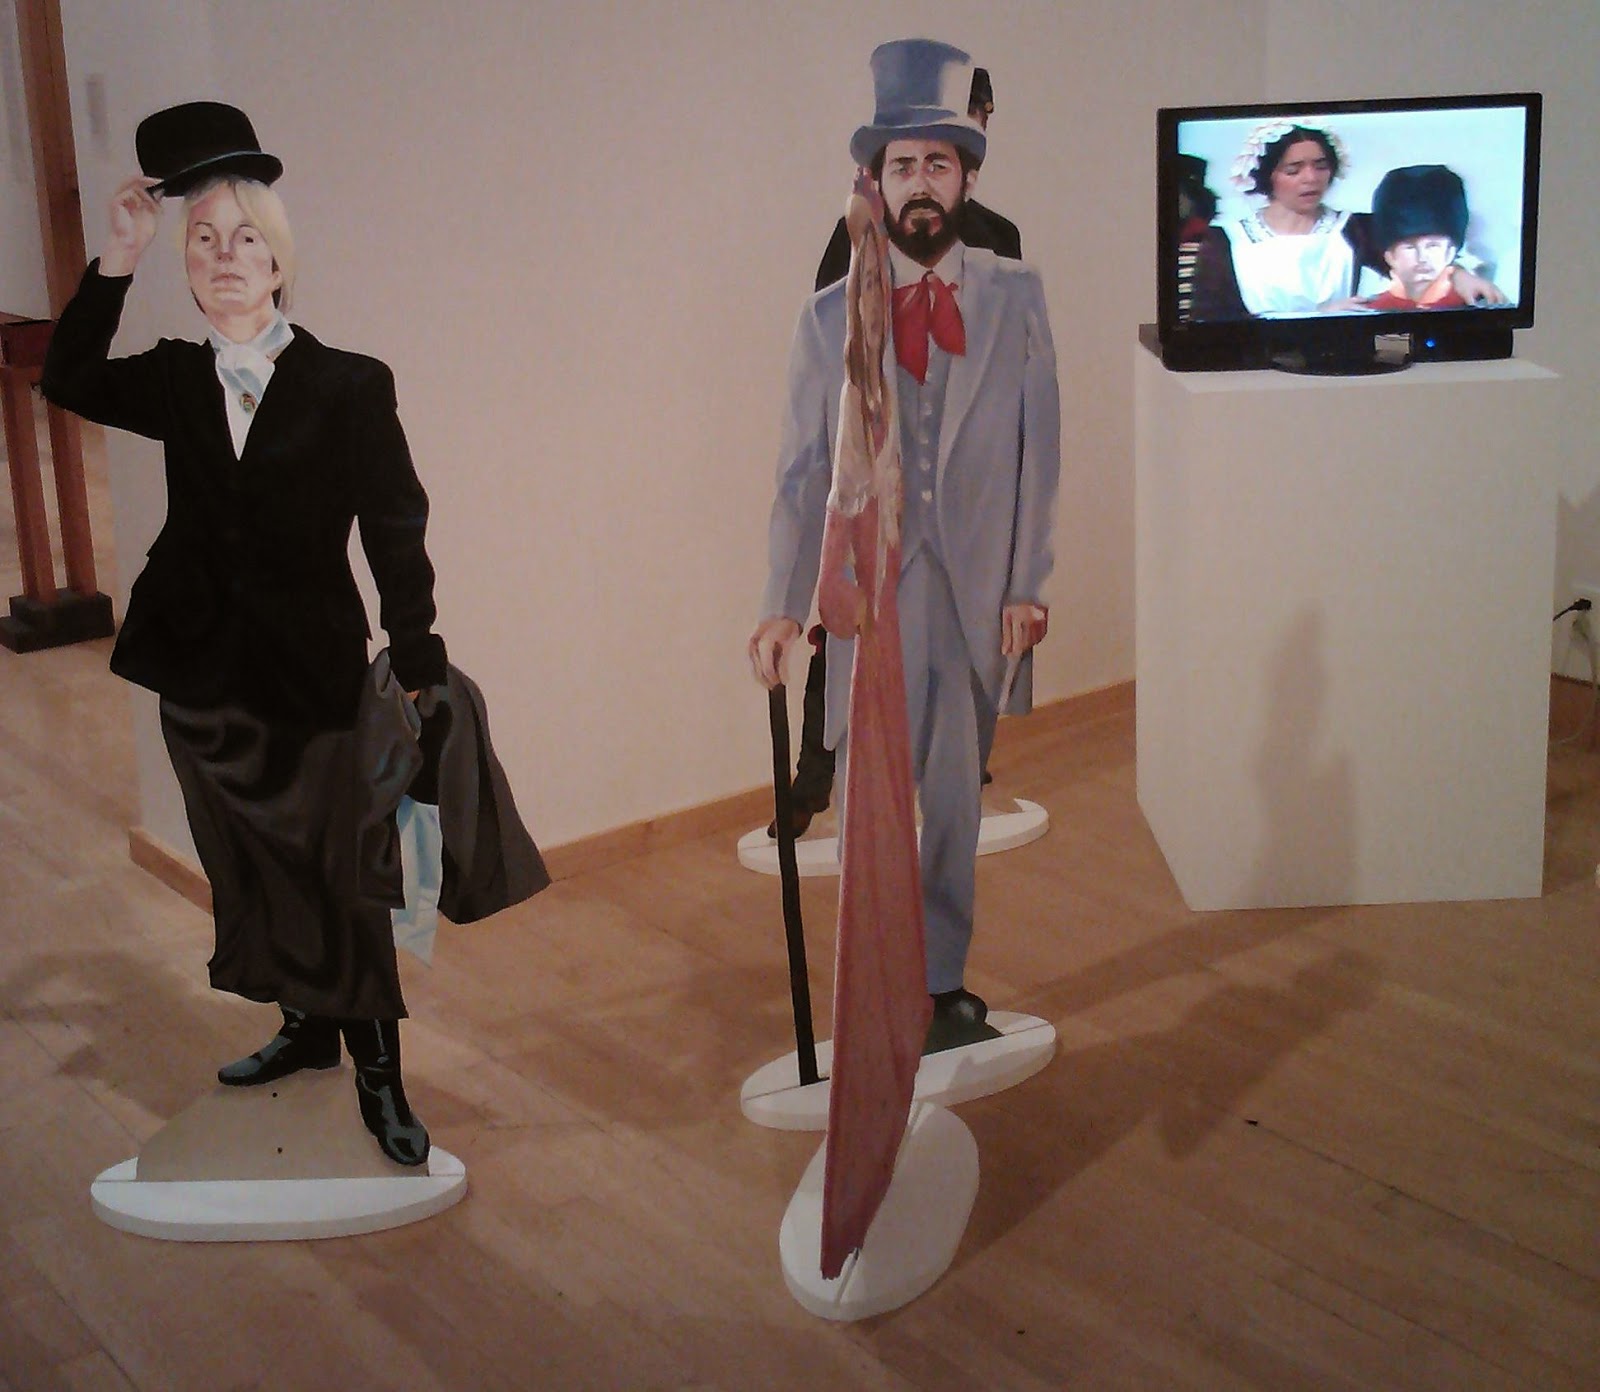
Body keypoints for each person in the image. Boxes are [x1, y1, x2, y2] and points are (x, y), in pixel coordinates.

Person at [42, 102, 444, 1166]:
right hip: (199, 673)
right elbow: (67, 378)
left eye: (247, 239)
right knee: (249, 865)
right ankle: (305, 1026)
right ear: (185, 263)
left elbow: (394, 526)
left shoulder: (349, 385)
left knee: (337, 877)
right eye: (204, 241)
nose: (225, 258)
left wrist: (418, 656)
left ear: (279, 259)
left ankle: (380, 1071)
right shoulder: (175, 377)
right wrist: (115, 259)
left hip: (311, 675)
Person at [749, 38, 1060, 1048]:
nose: (919, 183)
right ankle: (878, 981)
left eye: (937, 163)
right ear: (873, 183)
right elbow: (801, 472)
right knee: (869, 801)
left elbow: (1039, 450)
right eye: (901, 166)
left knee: (955, 803)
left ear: (966, 176)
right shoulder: (827, 318)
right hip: (872, 597)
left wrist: (1027, 581)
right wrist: (780, 604)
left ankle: (942, 982)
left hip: (972, 593)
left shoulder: (1016, 294)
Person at [780, 64, 1023, 838]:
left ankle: (957, 764)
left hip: (961, 465)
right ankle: (816, 776)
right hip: (880, 456)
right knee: (847, 622)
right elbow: (832, 348)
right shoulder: (862, 226)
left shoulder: (1000, 238)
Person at [1191, 119, 1501, 320]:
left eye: (1320, 166)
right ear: (1267, 176)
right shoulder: (1227, 240)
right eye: (1294, 170)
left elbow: (1413, 258)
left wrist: (1460, 276)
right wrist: (1317, 315)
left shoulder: (1353, 228)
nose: (1311, 179)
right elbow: (1210, 323)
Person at [1358, 164, 1501, 310]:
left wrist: (1459, 274)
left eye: (1432, 246)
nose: (1422, 258)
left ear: (1450, 252)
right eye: (1409, 247)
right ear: (1390, 257)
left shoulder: (1478, 304)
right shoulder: (1371, 309)